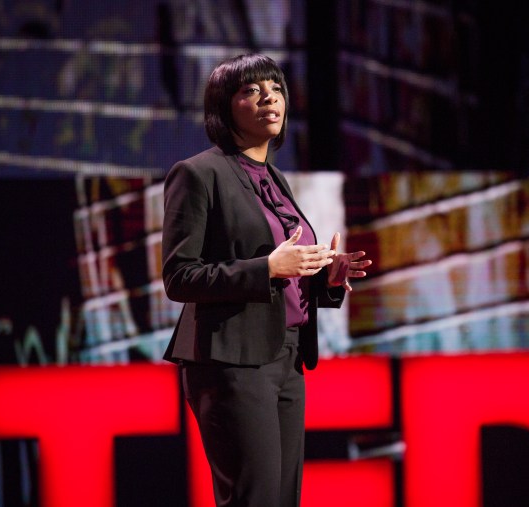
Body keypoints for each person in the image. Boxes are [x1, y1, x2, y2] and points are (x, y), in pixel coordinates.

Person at [161, 53, 372, 507]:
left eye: (274, 89)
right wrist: (268, 268)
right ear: (224, 106)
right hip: (231, 360)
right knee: (255, 498)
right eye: (250, 91)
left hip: (287, 355)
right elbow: (180, 276)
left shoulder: (273, 177)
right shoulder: (198, 174)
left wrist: (325, 280)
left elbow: (287, 272)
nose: (267, 99)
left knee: (282, 499)